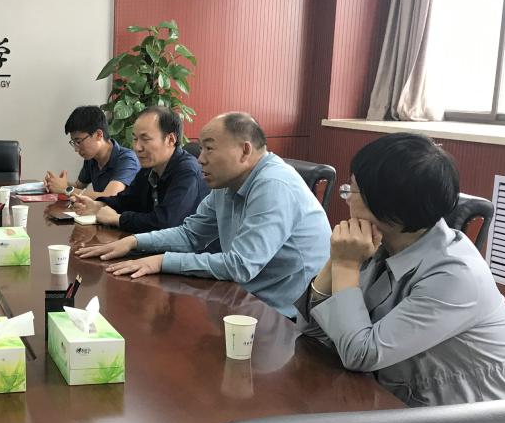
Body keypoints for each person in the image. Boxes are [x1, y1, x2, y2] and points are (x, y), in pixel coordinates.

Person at [296, 133, 505, 406]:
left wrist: (346, 264)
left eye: (352, 190)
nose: (346, 199)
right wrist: (338, 259)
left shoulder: (457, 275)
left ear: (387, 205)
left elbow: (360, 355)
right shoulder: (381, 243)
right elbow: (314, 331)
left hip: (460, 420)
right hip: (387, 397)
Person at [77, 112, 330, 318]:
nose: (200, 159)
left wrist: (161, 261)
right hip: (242, 299)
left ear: (245, 151)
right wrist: (133, 242)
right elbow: (190, 235)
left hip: (286, 317)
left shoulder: (273, 185)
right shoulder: (227, 183)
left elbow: (240, 265)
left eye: (209, 149)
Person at [68, 107, 208, 232]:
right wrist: (98, 205)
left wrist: (118, 219)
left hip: (191, 251)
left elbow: (166, 222)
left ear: (170, 139)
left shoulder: (187, 171)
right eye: (135, 139)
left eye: (145, 139)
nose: (137, 147)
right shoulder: (149, 168)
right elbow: (126, 200)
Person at [43, 105, 139, 199]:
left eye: (79, 141)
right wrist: (56, 184)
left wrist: (65, 189)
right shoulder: (92, 157)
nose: (76, 149)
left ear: (98, 134)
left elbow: (109, 197)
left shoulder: (127, 159)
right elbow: (78, 186)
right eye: (74, 143)